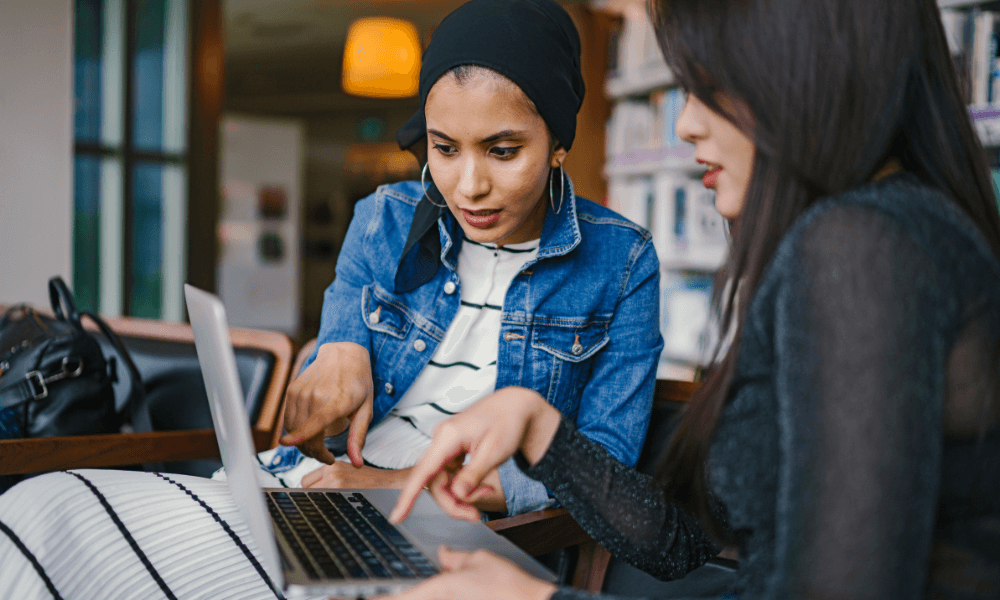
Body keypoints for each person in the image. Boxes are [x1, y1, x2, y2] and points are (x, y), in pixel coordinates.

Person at [0, 1, 663, 598]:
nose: (469, 186)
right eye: (443, 148)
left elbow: (598, 475)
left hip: (450, 529)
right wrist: (334, 350)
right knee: (42, 509)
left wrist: (404, 488)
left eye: (502, 150)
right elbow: (338, 348)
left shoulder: (622, 261)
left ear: (559, 144)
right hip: (313, 485)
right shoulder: (386, 215)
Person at [381, 0, 1000, 599]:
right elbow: (681, 545)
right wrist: (541, 431)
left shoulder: (862, 247)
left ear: (805, 72)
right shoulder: (884, 233)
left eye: (712, 87)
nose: (685, 123)